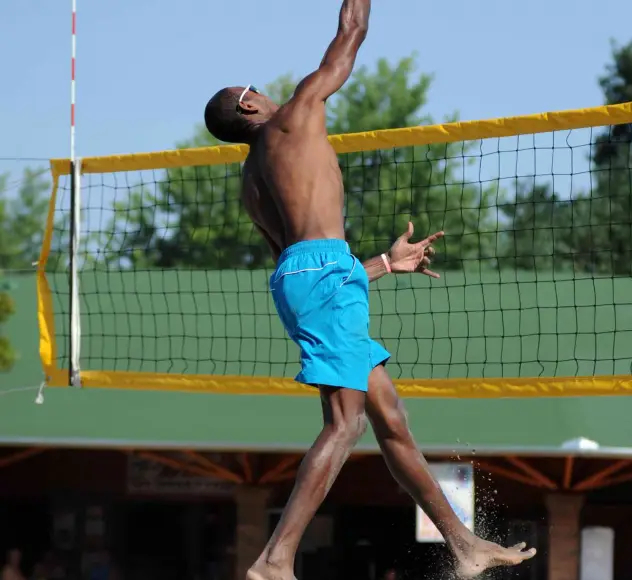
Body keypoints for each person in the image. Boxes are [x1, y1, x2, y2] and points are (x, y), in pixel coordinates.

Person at [203, 1, 536, 578]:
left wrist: (382, 262)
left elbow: (300, 267)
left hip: (307, 276)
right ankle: (275, 560)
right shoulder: (298, 113)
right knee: (345, 423)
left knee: (390, 419)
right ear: (250, 105)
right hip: (324, 275)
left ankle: (464, 544)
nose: (268, 89)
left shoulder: (250, 183)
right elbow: (351, 32)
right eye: (255, 86)